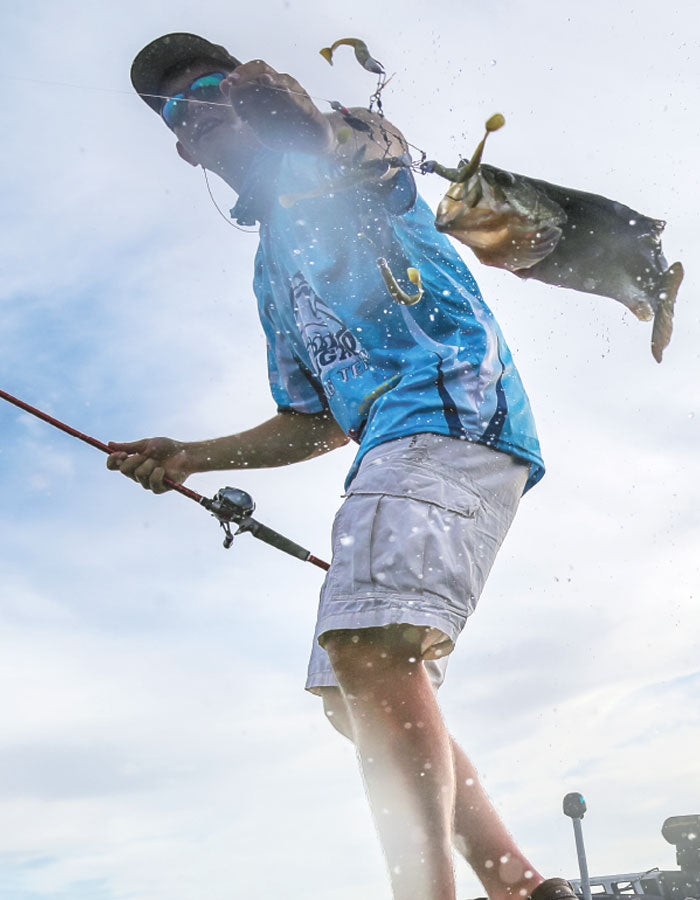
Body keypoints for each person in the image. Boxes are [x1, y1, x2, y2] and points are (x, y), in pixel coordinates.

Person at [109, 32, 575, 900]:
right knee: (348, 695)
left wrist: (308, 129)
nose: (198, 112)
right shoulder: (269, 271)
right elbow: (314, 417)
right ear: (183, 151)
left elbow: (371, 145)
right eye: (177, 110)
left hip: (451, 414)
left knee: (367, 645)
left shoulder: (349, 156)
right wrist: (190, 457)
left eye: (210, 87)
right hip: (390, 447)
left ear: (252, 87)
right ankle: (521, 888)